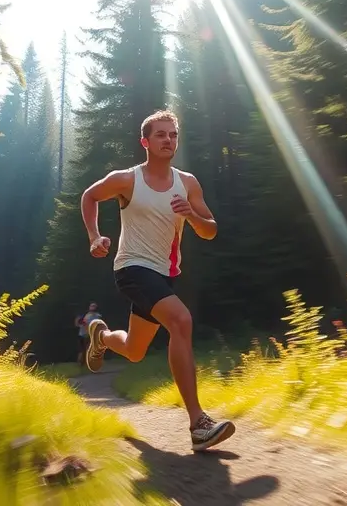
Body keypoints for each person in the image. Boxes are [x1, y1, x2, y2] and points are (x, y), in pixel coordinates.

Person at [79, 109, 235, 451]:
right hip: (131, 268)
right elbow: (90, 195)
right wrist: (94, 236)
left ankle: (100, 336)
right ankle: (198, 423)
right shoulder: (127, 180)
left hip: (165, 275)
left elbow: (210, 230)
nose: (168, 140)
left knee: (134, 351)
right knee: (181, 321)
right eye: (161, 134)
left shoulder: (188, 183)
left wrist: (191, 215)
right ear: (145, 142)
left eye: (173, 135)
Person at [75, 302, 102, 366]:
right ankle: (81, 362)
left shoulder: (97, 316)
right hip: (82, 334)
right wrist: (80, 322)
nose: (92, 307)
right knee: (82, 349)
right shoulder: (85, 315)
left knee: (88, 348)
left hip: (90, 334)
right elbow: (78, 323)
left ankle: (87, 362)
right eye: (91, 306)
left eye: (94, 306)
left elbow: (96, 324)